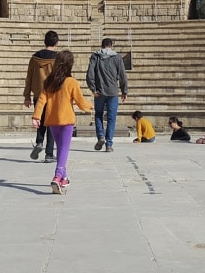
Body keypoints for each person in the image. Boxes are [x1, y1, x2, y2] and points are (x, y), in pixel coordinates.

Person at [32, 50, 92, 195]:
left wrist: (36, 117)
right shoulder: (72, 82)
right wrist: (90, 106)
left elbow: (41, 100)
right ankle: (58, 175)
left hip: (52, 121)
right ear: (70, 65)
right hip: (66, 121)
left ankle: (64, 178)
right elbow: (80, 102)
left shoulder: (49, 82)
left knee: (60, 149)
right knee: (64, 149)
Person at [86, 38, 128, 153]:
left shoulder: (95, 56)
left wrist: (93, 89)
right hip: (113, 92)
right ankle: (109, 144)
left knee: (98, 115)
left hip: (99, 92)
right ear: (111, 46)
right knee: (111, 118)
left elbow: (90, 74)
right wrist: (124, 91)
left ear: (102, 46)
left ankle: (101, 136)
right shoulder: (117, 57)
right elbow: (123, 75)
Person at [25, 30, 59, 163]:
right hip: (52, 95)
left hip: (38, 94)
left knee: (39, 120)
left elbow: (29, 77)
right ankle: (49, 154)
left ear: (44, 42)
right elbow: (60, 78)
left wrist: (27, 95)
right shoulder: (57, 58)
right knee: (51, 124)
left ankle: (39, 142)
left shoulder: (34, 58)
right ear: (56, 43)